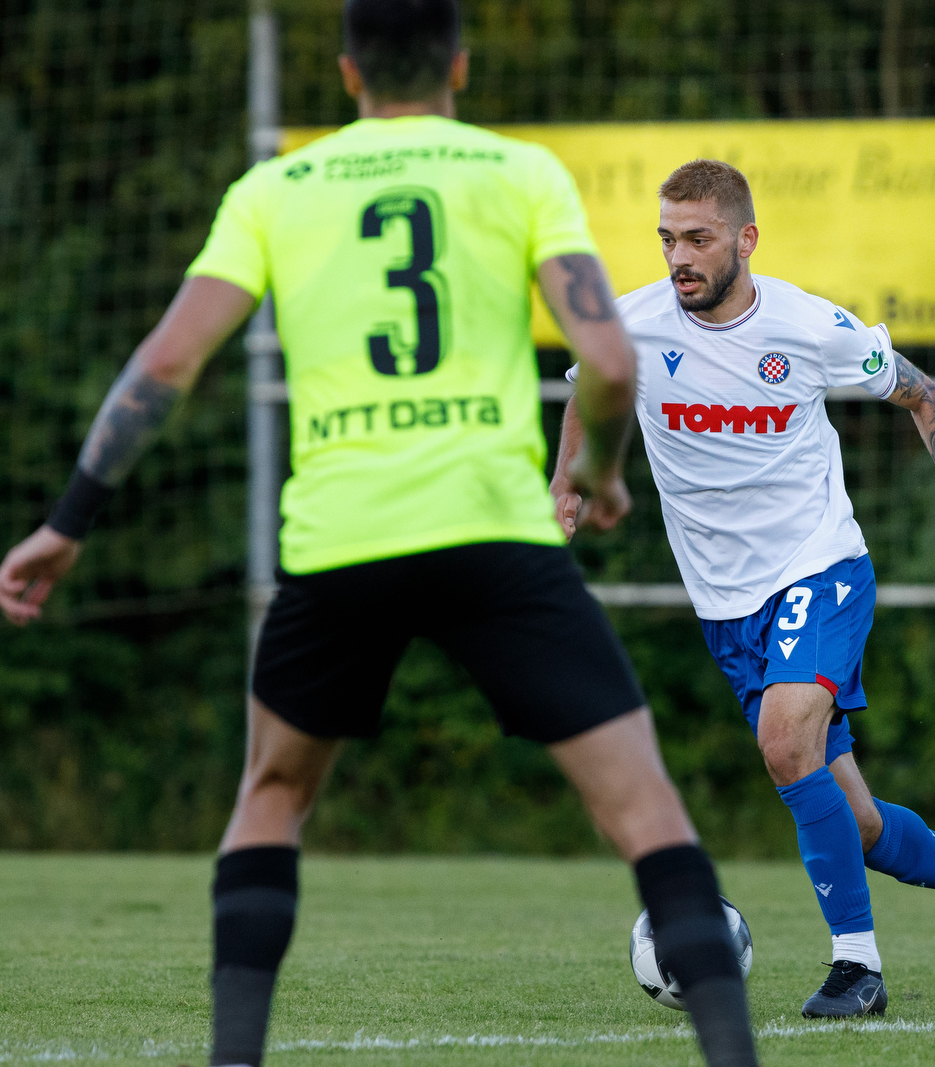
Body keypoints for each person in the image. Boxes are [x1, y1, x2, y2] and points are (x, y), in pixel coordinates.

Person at [0, 5, 762, 1066]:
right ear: (456, 62)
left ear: (349, 71)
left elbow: (163, 367)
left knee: (272, 794)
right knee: (642, 802)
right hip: (494, 537)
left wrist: (64, 522)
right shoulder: (519, 172)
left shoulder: (278, 187)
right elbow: (614, 360)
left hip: (341, 542)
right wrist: (596, 473)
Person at [550, 159, 935, 1019]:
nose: (680, 256)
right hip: (725, 606)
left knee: (786, 744)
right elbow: (589, 396)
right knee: (853, 824)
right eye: (668, 238)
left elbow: (922, 394)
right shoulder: (629, 325)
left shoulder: (808, 326)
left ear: (745, 239)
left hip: (820, 569)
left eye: (698, 239)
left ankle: (858, 966)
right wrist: (571, 486)